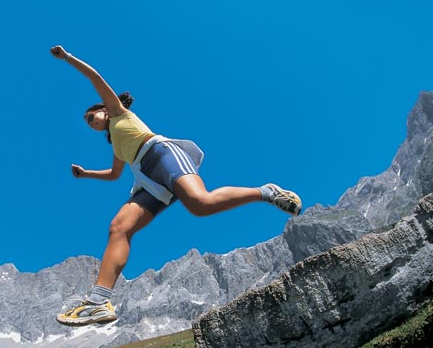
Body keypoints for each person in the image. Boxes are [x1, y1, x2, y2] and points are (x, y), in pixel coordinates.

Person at [50, 45, 302, 326]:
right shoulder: (118, 146)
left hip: (163, 155)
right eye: (87, 123)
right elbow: (114, 174)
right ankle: (98, 301)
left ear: (103, 110)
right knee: (119, 227)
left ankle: (266, 192)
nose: (90, 123)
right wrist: (85, 174)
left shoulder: (118, 113)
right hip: (146, 179)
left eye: (91, 117)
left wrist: (68, 58)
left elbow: (95, 77)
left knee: (200, 204)